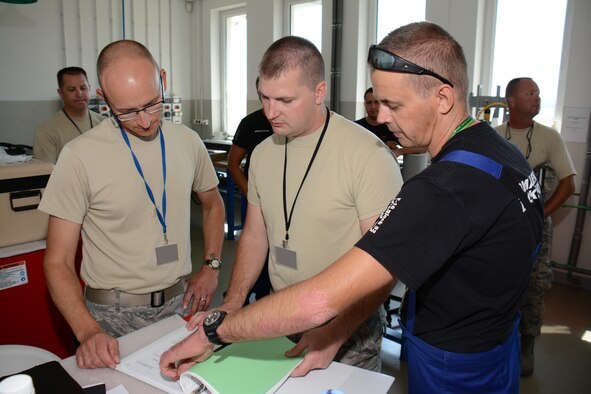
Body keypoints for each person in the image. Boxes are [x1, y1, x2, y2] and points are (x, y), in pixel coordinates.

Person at [160, 23, 543, 393]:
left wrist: (216, 330)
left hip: (457, 359)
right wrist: (235, 301)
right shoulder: (498, 152)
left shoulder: (446, 186)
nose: (381, 117)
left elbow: (320, 300)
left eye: (394, 104)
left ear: (442, 98)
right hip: (492, 336)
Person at [188, 35, 402, 374]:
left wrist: (335, 333)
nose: (271, 112)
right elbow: (256, 236)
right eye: (265, 97)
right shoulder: (263, 154)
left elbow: (386, 264)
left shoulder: (368, 156)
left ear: (319, 92)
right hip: (279, 318)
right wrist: (233, 302)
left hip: (347, 328)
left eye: (285, 100)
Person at [39, 40, 225, 370]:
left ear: (162, 80)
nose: (143, 121)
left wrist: (211, 267)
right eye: (125, 111)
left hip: (178, 304)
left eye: (153, 104)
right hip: (112, 317)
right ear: (103, 97)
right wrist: (88, 332)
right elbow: (58, 262)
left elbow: (212, 204)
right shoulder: (79, 157)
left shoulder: (187, 142)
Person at [495, 77, 576, 376]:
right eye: (530, 93)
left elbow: (569, 184)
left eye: (539, 94)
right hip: (499, 228)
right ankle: (499, 339)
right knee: (498, 281)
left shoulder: (549, 138)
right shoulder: (493, 136)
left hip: (536, 229)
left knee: (534, 284)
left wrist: (543, 214)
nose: (538, 98)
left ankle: (527, 345)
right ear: (512, 101)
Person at [226, 78, 274, 302]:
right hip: (253, 198)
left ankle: (267, 291)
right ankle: (243, 292)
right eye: (264, 94)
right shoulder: (250, 123)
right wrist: (249, 193)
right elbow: (233, 163)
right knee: (253, 243)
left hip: (283, 200)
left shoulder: (291, 123)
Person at [34, 67, 106, 163]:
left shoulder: (105, 123)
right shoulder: (47, 131)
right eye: (71, 89)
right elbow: (47, 174)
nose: (79, 94)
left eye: (83, 88)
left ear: (89, 88)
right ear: (61, 93)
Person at [356, 87, 427, 158]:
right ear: (365, 104)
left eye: (376, 102)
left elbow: (422, 148)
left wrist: (399, 151)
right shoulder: (356, 127)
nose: (373, 107)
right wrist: (383, 146)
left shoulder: (392, 127)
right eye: (369, 103)